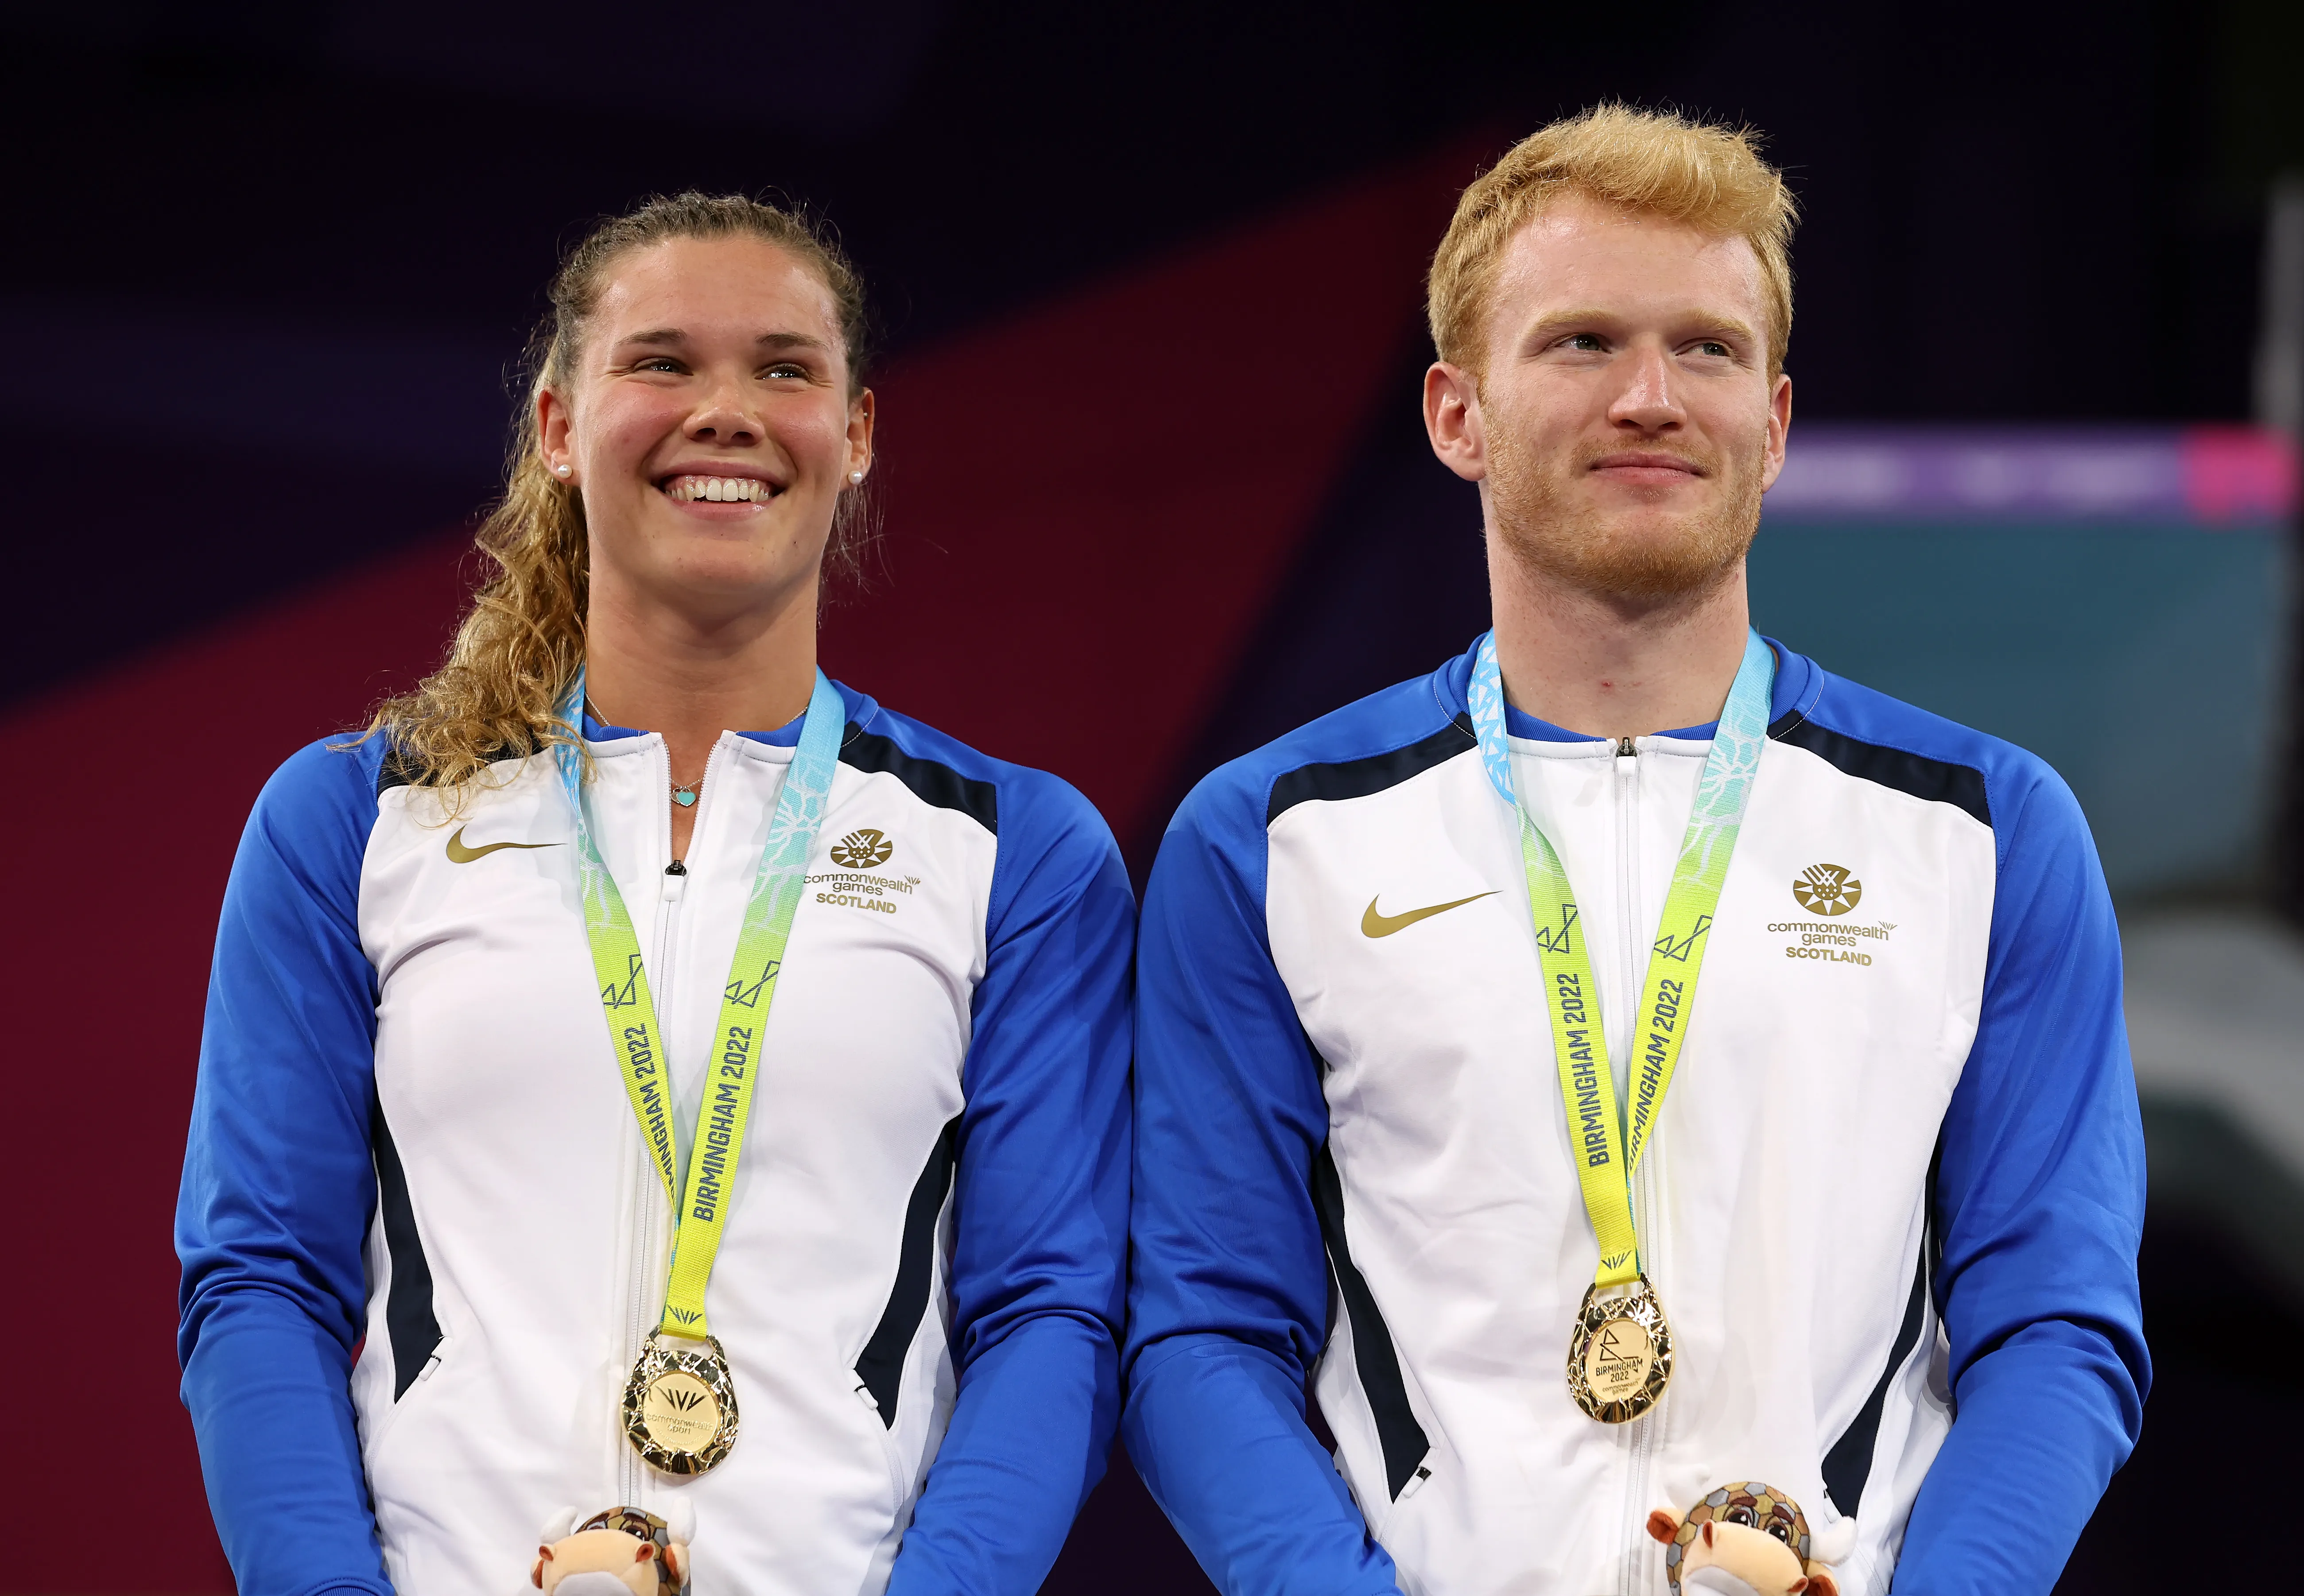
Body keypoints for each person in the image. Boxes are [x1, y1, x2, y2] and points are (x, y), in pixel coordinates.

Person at [1124, 107, 2148, 1596]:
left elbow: (2056, 1318)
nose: (1652, 396)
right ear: (1457, 414)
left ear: (1774, 423)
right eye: (1584, 342)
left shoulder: (1984, 829)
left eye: (1708, 349)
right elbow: (1204, 1330)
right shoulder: (1274, 837)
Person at [176, 194, 1134, 1596]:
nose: (727, 412)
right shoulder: (355, 821)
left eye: (785, 369)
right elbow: (261, 1278)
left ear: (858, 432)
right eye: (664, 362)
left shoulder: (1014, 852)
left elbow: (1049, 1313)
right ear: (560, 427)